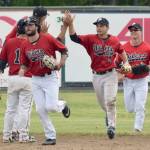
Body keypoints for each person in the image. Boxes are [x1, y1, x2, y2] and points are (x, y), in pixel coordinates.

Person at [63, 13, 130, 139]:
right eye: (97, 26)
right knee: (102, 103)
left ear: (107, 27)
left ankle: (111, 126)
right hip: (96, 76)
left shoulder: (114, 40)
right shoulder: (90, 39)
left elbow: (121, 51)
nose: (99, 28)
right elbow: (74, 38)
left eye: (102, 26)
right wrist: (71, 24)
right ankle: (108, 114)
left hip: (111, 74)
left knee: (110, 101)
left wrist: (126, 62)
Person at [18, 16, 70, 145]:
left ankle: (62, 105)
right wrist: (22, 69)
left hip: (50, 77)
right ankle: (50, 136)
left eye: (30, 25)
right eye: (26, 25)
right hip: (35, 79)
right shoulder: (25, 44)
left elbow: (64, 50)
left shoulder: (47, 38)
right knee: (40, 109)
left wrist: (61, 63)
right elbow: (25, 63)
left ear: (36, 27)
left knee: (51, 107)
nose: (28, 27)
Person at [0, 19, 35, 143]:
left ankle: (6, 136)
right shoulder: (30, 43)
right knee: (24, 108)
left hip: (13, 78)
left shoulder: (9, 42)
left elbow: (2, 63)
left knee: (10, 109)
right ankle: (23, 136)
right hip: (27, 78)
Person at [121, 23, 150, 132]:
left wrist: (147, 67)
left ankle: (138, 128)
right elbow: (117, 63)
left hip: (142, 80)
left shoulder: (147, 47)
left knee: (140, 105)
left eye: (136, 30)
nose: (133, 33)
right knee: (129, 108)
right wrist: (120, 73)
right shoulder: (124, 48)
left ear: (140, 32)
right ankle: (139, 111)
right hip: (128, 80)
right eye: (132, 31)